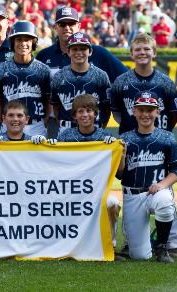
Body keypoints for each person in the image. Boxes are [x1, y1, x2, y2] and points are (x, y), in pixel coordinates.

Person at [111, 33, 177, 258]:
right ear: (131, 53)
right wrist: (132, 128)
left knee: (164, 195)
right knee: (138, 254)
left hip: (158, 139)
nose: (142, 53)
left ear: (154, 53)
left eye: (146, 49)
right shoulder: (122, 81)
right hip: (131, 140)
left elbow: (174, 113)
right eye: (138, 50)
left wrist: (160, 131)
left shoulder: (164, 82)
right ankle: (136, 243)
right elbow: (115, 112)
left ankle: (170, 242)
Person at [117, 92, 177, 263]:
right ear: (134, 111)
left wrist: (162, 185)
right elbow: (119, 174)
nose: (145, 114)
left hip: (155, 191)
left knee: (165, 202)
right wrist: (122, 156)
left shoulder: (167, 137)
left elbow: (176, 169)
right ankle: (152, 241)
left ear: (157, 112)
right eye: (141, 109)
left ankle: (162, 246)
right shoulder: (125, 139)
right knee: (139, 256)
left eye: (150, 110)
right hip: (132, 195)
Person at [57, 94, 123, 254]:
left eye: (89, 111)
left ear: (95, 113)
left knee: (112, 203)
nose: (85, 115)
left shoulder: (105, 137)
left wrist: (121, 152)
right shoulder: (66, 136)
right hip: (71, 189)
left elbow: (119, 174)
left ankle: (110, 244)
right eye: (80, 111)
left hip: (97, 190)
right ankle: (64, 243)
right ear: (74, 116)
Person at [0, 21, 51, 137]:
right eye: (19, 40)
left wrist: (45, 121)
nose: (23, 43)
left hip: (36, 125)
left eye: (27, 40)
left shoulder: (43, 69)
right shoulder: (1, 69)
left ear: (33, 43)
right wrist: (3, 120)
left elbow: (48, 100)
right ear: (12, 43)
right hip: (9, 125)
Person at [35, 6, 127, 82]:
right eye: (62, 24)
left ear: (78, 26)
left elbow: (126, 78)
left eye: (71, 23)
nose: (67, 28)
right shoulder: (44, 56)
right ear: (55, 27)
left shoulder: (99, 53)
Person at [50, 32, 111, 135]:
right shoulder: (58, 76)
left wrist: (100, 127)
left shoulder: (101, 75)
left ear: (90, 51)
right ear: (68, 52)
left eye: (83, 49)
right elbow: (55, 106)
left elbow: (107, 107)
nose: (79, 52)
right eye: (74, 49)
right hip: (66, 129)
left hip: (93, 129)